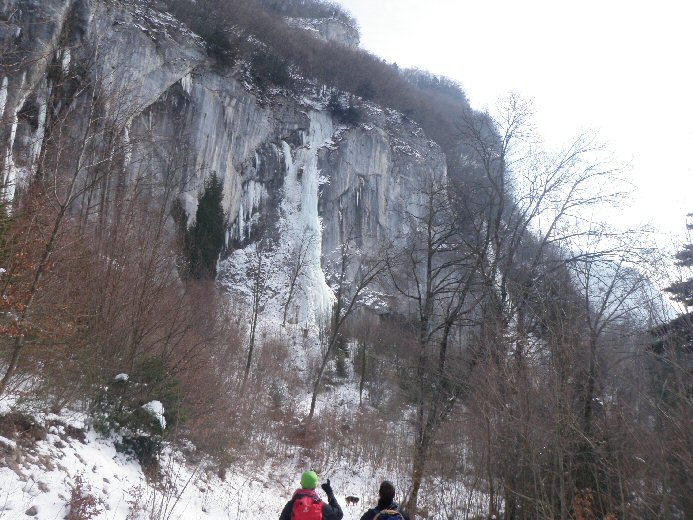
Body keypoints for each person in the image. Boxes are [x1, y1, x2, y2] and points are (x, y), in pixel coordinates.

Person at [279, 470, 343, 520]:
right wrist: (330, 493)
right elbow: (339, 514)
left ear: (301, 483)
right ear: (315, 485)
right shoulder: (321, 505)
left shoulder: (291, 504)